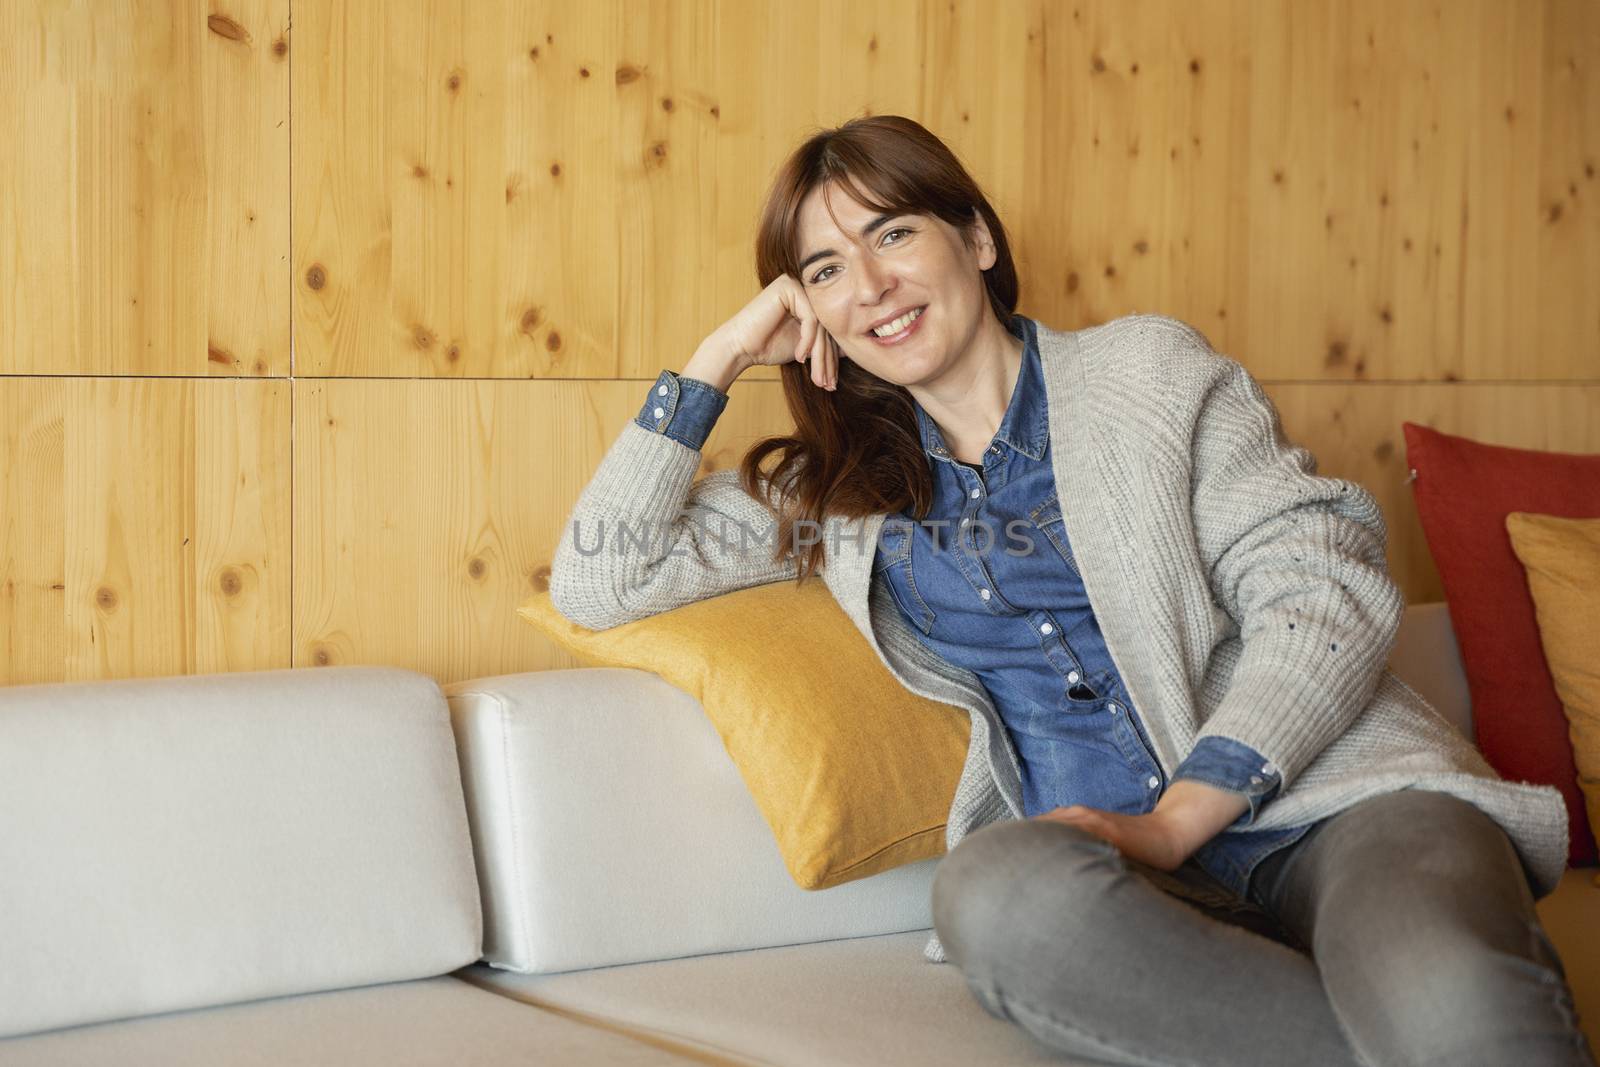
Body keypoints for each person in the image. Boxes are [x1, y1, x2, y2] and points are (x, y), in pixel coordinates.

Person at [549, 114, 1593, 1066]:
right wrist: (714, 362)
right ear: (806, 311)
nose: (866, 285)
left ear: (977, 240)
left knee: (1449, 998)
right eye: (824, 268)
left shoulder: (1147, 372)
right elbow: (600, 577)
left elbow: (1324, 588)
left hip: (1341, 801)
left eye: (894, 234)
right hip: (1108, 881)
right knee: (992, 896)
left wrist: (1182, 815)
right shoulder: (834, 490)